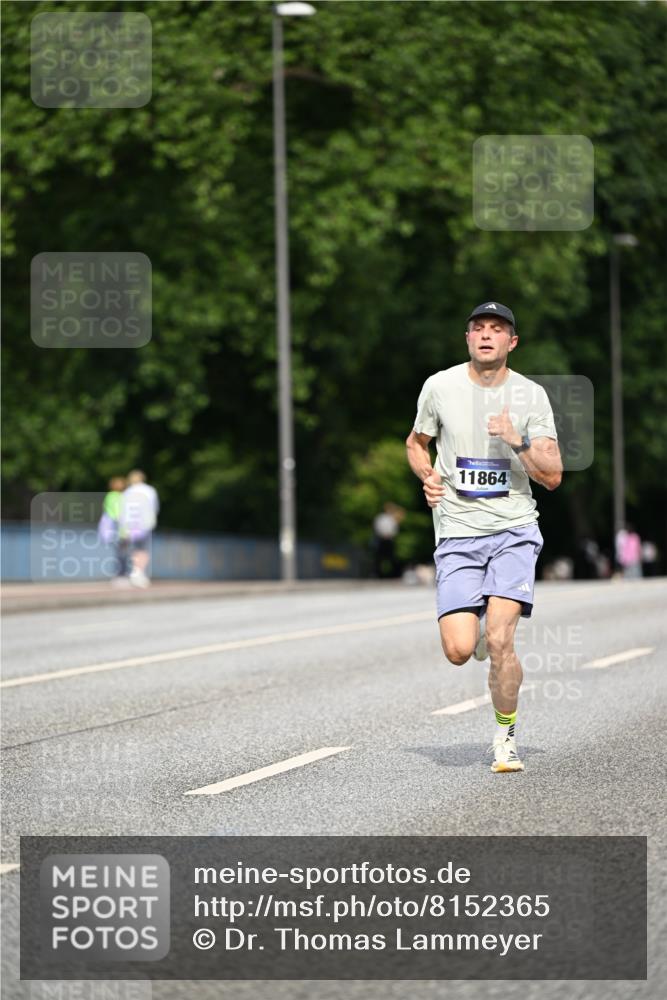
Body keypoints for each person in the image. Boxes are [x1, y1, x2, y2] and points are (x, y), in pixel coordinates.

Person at [405, 301, 563, 773]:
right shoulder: (440, 387)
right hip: (456, 531)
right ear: (468, 338)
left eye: (498, 329)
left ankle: (505, 736)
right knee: (458, 650)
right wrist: (425, 476)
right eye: (479, 328)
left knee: (500, 640)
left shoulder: (531, 396)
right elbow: (417, 443)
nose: (487, 335)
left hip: (513, 529)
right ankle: (474, 629)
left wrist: (517, 440)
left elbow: (552, 477)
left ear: (512, 342)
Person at [119, 470, 159, 588]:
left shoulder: (127, 492)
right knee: (143, 549)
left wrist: (123, 526)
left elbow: (122, 512)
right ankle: (139, 573)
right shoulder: (149, 491)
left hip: (131, 525)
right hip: (144, 524)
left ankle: (132, 573)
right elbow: (154, 507)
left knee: (133, 549)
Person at [98, 476, 129, 582]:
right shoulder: (117, 496)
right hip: (118, 527)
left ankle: (121, 574)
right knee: (121, 552)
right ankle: (121, 574)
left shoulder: (112, 496)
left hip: (119, 527)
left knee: (120, 552)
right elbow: (116, 513)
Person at [372, 502, 405, 578]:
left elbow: (395, 529)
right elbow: (377, 527)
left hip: (390, 540)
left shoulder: (393, 518)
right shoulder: (381, 517)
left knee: (392, 558)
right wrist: (383, 534)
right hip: (381, 540)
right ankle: (377, 574)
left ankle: (394, 574)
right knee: (379, 558)